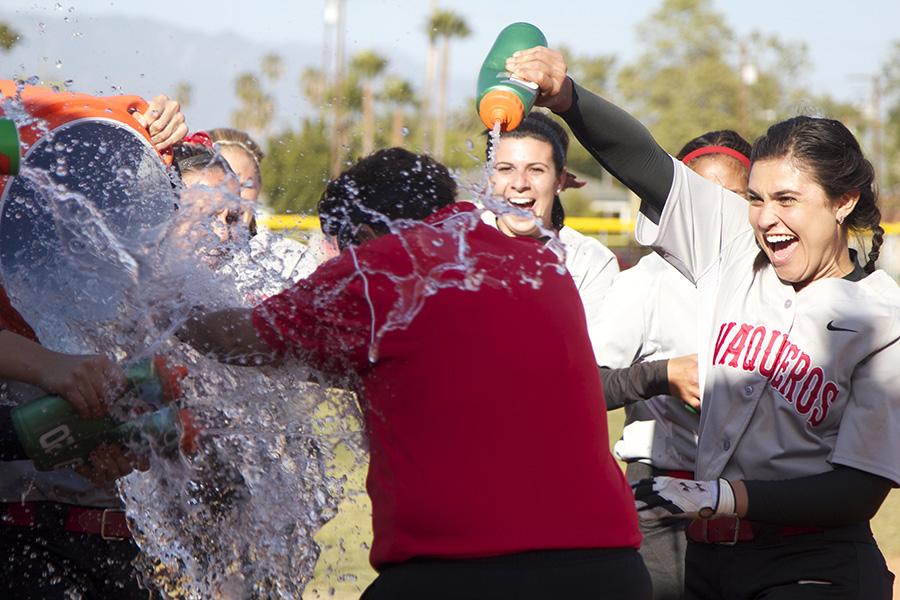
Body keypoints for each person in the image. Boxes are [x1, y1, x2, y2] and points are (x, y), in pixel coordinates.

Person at [507, 46, 897, 599]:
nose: (765, 217)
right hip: (709, 560)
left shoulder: (884, 318)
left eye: (787, 199)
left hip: (813, 560)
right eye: (757, 199)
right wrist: (569, 99)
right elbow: (648, 165)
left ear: (843, 201)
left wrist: (727, 496)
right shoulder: (734, 245)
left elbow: (860, 490)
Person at [178, 147, 651, 600]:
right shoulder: (537, 262)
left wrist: (152, 292)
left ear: (362, 233)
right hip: (610, 569)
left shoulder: (379, 268)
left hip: (472, 572)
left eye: (337, 247)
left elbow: (233, 338)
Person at [0, 87, 187, 599]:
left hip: (115, 541)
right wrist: (44, 366)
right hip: (19, 538)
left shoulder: (136, 295)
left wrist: (174, 132)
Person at [591, 130, 752, 600]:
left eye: (735, 197)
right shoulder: (646, 282)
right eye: (704, 196)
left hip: (752, 498)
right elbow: (585, 386)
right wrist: (662, 374)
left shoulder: (776, 278)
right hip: (661, 496)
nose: (719, 210)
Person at [484, 112, 619, 318]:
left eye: (536, 170)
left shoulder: (589, 262)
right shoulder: (458, 242)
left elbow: (595, 348)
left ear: (559, 181)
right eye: (505, 169)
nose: (520, 184)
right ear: (488, 178)